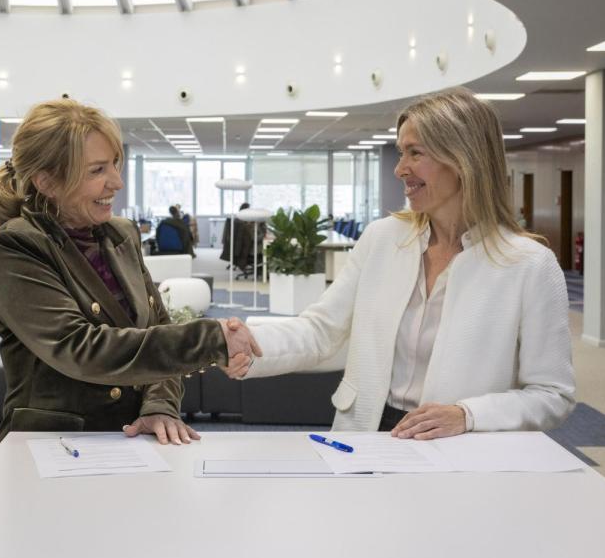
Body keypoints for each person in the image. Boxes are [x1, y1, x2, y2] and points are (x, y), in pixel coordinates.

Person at [224, 87, 575, 439]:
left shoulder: (529, 265)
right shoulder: (382, 239)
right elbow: (321, 330)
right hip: (365, 430)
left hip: (458, 445)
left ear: (463, 158)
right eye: (401, 153)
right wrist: (250, 342)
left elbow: (551, 394)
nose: (400, 169)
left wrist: (467, 414)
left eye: (415, 153)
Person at [0, 99, 259, 447]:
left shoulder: (121, 234)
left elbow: (158, 329)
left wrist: (160, 405)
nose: (116, 182)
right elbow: (79, 348)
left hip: (130, 441)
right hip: (52, 446)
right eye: (97, 171)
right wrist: (209, 340)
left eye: (114, 164)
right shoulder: (17, 247)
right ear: (48, 182)